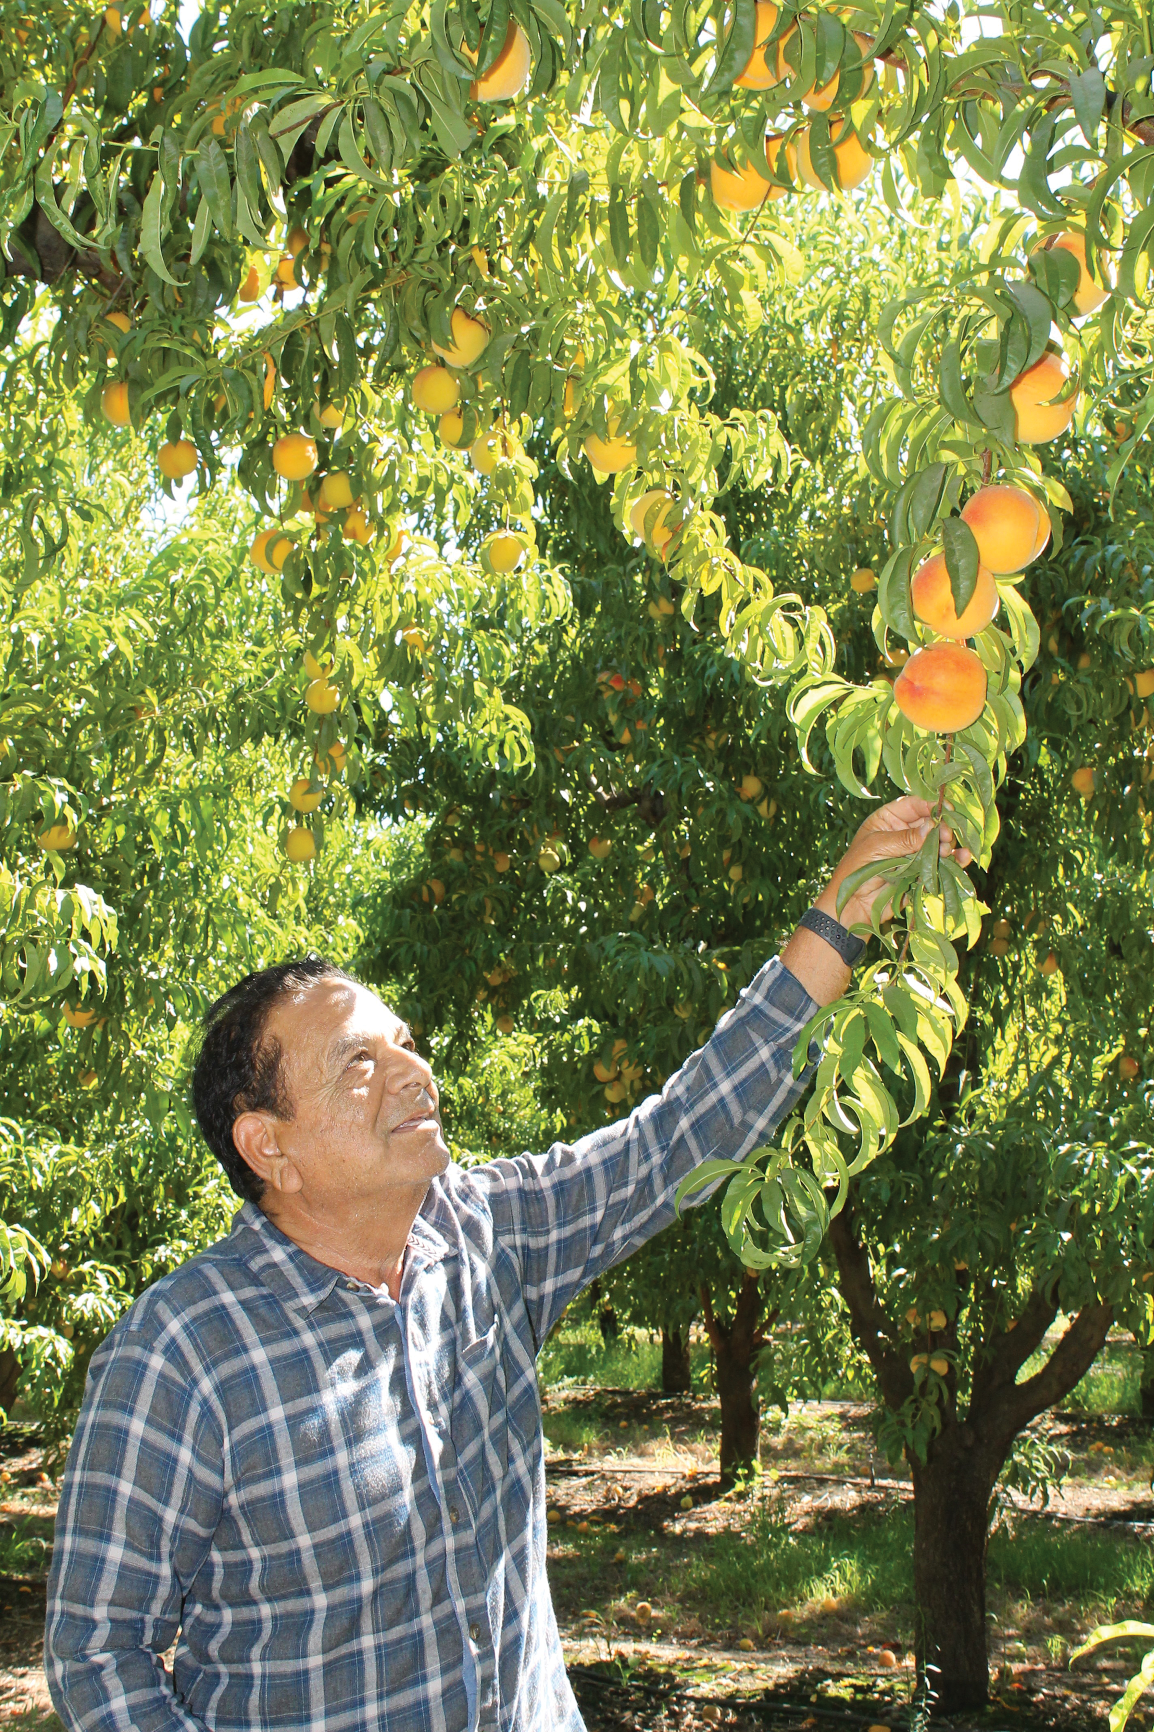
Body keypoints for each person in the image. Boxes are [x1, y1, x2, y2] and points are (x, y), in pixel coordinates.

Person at [46, 797, 970, 1732]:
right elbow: (96, 1651)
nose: (413, 1073)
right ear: (268, 1146)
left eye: (404, 1044)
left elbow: (682, 1138)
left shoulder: (488, 1232)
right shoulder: (186, 1351)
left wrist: (845, 910)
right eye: (357, 1064)